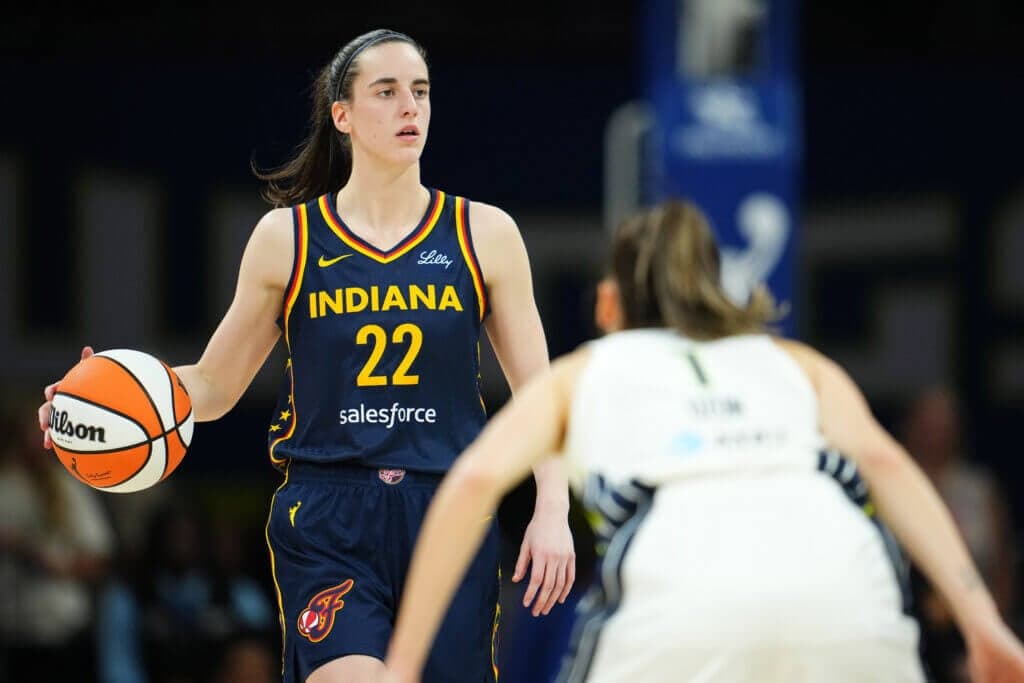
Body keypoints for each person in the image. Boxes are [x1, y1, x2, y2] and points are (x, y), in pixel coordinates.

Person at [37, 28, 574, 683]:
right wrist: (103, 397)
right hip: (328, 514)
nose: (411, 106)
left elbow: (541, 394)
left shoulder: (484, 233)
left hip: (448, 509)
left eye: (421, 91)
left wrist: (553, 509)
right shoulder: (287, 238)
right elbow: (212, 385)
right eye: (387, 91)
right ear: (342, 115)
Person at [381, 199, 1024, 683]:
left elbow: (471, 482)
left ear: (609, 305)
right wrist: (982, 621)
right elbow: (886, 463)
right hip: (850, 595)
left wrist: (402, 665)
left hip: (677, 596)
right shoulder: (795, 363)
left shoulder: (585, 372)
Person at [902, 386, 1018, 682]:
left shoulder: (978, 488)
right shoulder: (892, 479)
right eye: (928, 422)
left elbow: (1003, 560)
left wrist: (993, 625)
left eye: (944, 424)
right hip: (907, 624)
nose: (935, 433)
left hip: (970, 625)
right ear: (911, 424)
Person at [0, 392, 115, 682]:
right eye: (31, 430)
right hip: (14, 637)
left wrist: (55, 564)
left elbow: (99, 557)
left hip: (66, 633)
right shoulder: (5, 486)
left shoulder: (67, 487)